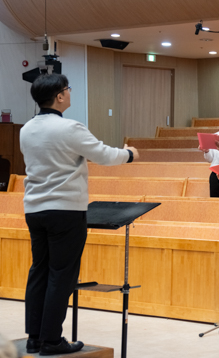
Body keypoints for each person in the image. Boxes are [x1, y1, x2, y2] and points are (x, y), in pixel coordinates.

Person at [20, 74, 140, 355]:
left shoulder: (26, 129)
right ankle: (52, 341)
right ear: (60, 96)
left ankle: (34, 338)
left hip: (34, 209)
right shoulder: (69, 127)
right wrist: (129, 154)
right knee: (61, 275)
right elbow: (104, 155)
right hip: (65, 210)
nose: (70, 93)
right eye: (68, 89)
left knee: (39, 271)